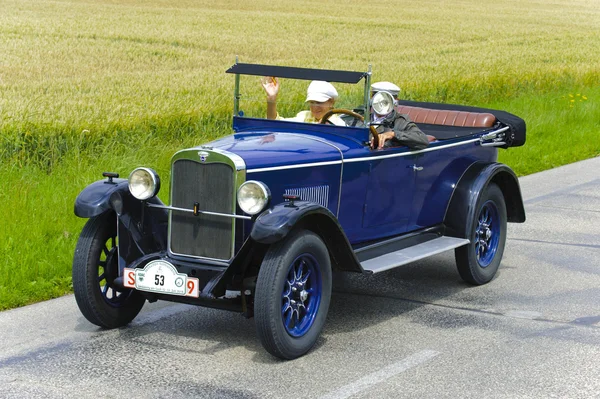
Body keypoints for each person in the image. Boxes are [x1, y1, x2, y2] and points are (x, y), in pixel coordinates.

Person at [370, 81, 435, 149]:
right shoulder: (362, 119)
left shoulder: (400, 121)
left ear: (395, 101)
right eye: (377, 98)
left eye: (386, 101)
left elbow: (423, 139)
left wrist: (393, 134)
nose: (381, 103)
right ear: (372, 98)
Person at [261, 78, 346, 126]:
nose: (315, 107)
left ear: (331, 102)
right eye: (312, 102)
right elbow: (276, 123)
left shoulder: (339, 124)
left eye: (319, 102)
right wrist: (271, 99)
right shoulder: (304, 116)